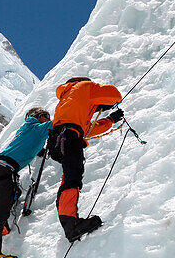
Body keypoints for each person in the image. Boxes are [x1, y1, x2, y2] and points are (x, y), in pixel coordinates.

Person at [47, 76, 123, 242]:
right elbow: (115, 95)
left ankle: (68, 218)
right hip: (69, 135)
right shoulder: (84, 86)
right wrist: (102, 103)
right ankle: (70, 225)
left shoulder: (68, 102)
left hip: (59, 138)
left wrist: (109, 120)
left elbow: (87, 129)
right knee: (72, 177)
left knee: (69, 176)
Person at [0, 107, 53, 258]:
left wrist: (40, 151)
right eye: (45, 116)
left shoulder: (29, 131)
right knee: (2, 210)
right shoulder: (36, 128)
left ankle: (1, 218)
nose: (47, 118)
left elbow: (31, 148)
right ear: (38, 117)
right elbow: (59, 124)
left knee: (14, 193)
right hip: (5, 169)